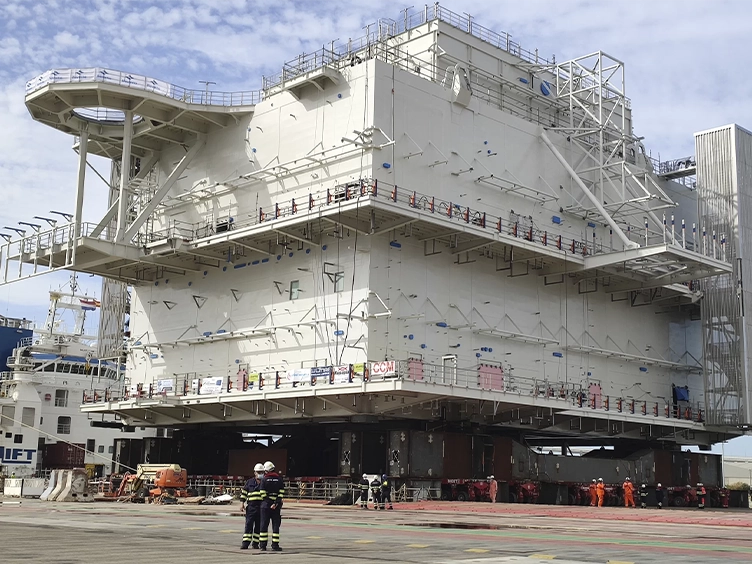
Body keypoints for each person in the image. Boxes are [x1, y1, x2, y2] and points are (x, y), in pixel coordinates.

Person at [259, 461, 284, 552]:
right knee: (276, 526)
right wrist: (275, 503)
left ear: (266, 471)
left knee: (264, 526)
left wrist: (269, 503)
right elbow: (281, 493)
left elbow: (262, 493)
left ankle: (263, 546)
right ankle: (275, 545)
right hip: (276, 506)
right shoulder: (279, 479)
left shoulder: (264, 479)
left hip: (266, 506)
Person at [240, 463, 264, 550]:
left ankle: (255, 543)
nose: (260, 474)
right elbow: (244, 493)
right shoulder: (249, 482)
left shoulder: (265, 482)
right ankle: (245, 543)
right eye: (258, 472)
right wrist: (242, 503)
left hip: (261, 507)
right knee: (248, 525)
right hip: (251, 507)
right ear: (254, 472)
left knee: (258, 526)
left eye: (261, 472)